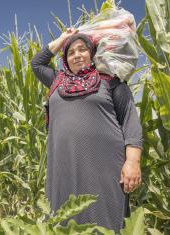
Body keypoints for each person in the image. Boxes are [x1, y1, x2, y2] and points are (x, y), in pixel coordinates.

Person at [31, 28, 143, 232]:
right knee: (64, 217)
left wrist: (133, 162)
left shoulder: (110, 81)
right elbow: (37, 63)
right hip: (62, 167)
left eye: (82, 49)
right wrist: (63, 38)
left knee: (104, 220)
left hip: (104, 167)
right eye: (71, 52)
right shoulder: (57, 81)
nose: (77, 55)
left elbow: (130, 122)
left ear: (92, 54)